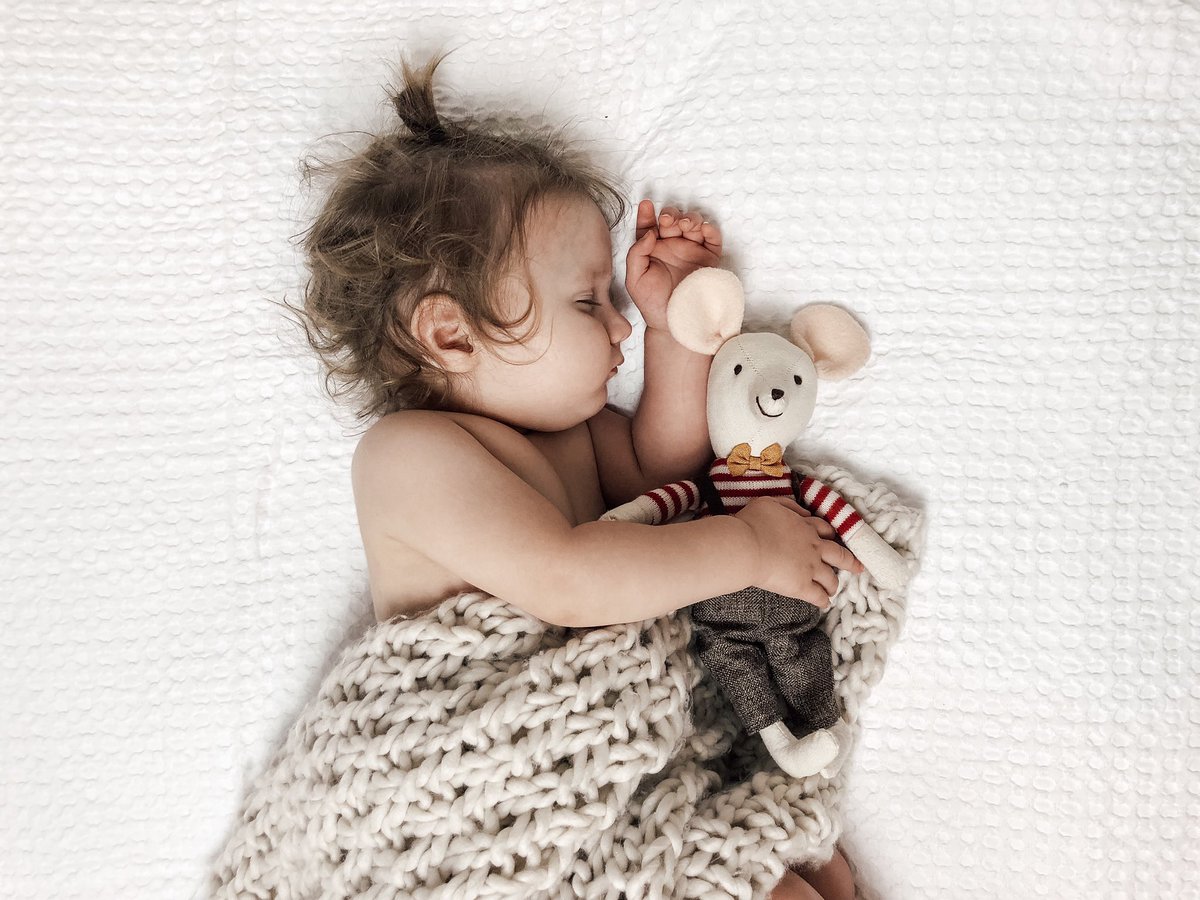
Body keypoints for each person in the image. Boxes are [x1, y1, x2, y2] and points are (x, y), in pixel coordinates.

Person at [288, 50, 862, 900]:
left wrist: (674, 337)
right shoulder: (408, 456)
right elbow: (566, 579)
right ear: (450, 335)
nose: (619, 329)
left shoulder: (578, 428)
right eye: (591, 302)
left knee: (816, 871)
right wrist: (745, 547)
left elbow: (661, 480)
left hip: (615, 770)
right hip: (487, 795)